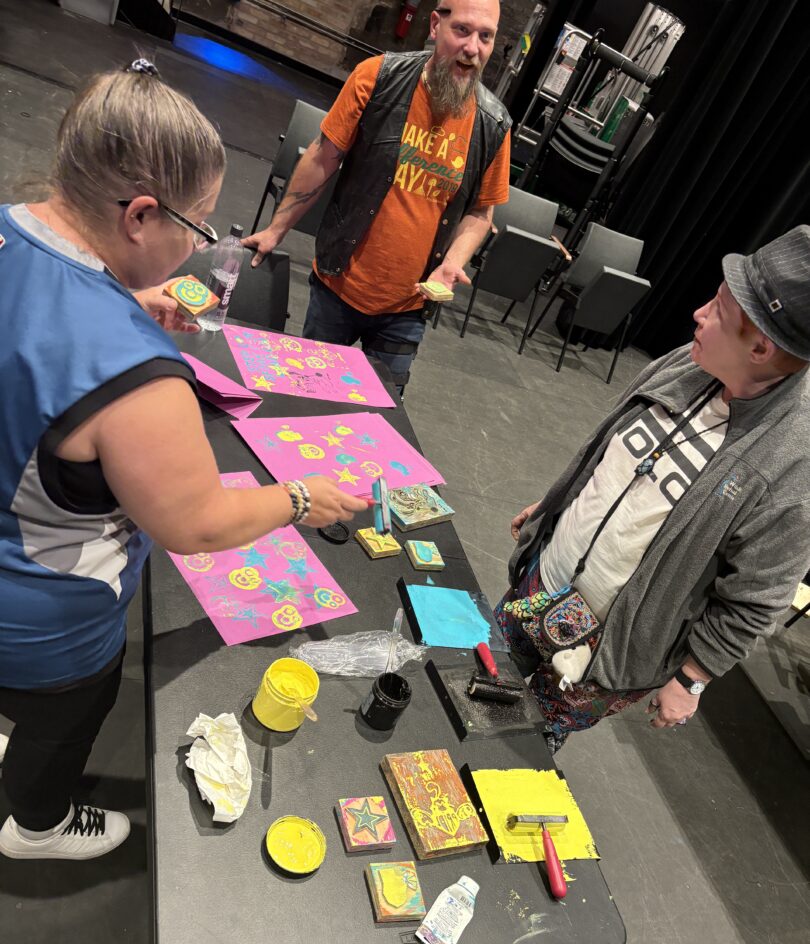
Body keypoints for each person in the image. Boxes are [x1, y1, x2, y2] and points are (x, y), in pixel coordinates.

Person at [0, 61, 367, 862]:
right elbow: (195, 525)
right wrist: (299, 499)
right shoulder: (137, 373)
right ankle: (37, 826)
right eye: (197, 227)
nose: (197, 248)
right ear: (140, 215)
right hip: (43, 623)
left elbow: (34, 328)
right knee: (65, 721)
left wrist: (119, 302)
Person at [497, 226, 810, 754]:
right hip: (542, 581)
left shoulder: (793, 463)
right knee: (474, 675)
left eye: (718, 308)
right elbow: (612, 454)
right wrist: (558, 506)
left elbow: (757, 599)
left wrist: (692, 678)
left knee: (520, 747)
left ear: (760, 346)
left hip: (601, 651)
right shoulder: (691, 360)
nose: (699, 313)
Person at [242, 0, 511, 393]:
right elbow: (322, 157)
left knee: (379, 414)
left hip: (408, 308)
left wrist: (452, 262)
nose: (473, 48)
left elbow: (481, 212)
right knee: (306, 398)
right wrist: (275, 230)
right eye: (462, 30)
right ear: (435, 25)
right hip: (338, 288)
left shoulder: (494, 122)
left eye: (485, 37)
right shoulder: (378, 77)